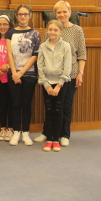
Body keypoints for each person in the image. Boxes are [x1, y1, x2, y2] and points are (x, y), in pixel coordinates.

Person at [34, 0, 87, 147]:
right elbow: (44, 51)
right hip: (50, 75)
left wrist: (80, 73)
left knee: (65, 105)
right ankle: (47, 132)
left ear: (70, 13)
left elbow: (82, 53)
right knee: (50, 105)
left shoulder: (77, 30)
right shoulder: (51, 29)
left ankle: (64, 134)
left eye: (65, 11)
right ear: (55, 14)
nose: (62, 14)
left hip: (70, 74)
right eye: (59, 12)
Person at [6, 4, 41, 146]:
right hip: (13, 73)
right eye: (20, 14)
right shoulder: (10, 33)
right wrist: (15, 73)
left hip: (29, 73)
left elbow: (35, 55)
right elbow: (9, 53)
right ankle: (16, 132)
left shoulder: (35, 33)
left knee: (26, 104)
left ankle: (25, 132)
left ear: (30, 15)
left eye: (25, 14)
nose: (23, 17)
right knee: (15, 104)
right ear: (16, 16)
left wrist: (21, 72)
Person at [37, 20, 71, 152]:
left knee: (58, 110)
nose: (52, 32)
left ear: (61, 32)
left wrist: (58, 86)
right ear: (47, 31)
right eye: (50, 29)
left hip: (60, 84)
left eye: (55, 30)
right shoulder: (43, 46)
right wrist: (46, 84)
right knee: (49, 110)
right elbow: (40, 66)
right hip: (47, 84)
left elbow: (67, 67)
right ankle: (49, 139)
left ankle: (56, 139)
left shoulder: (65, 46)